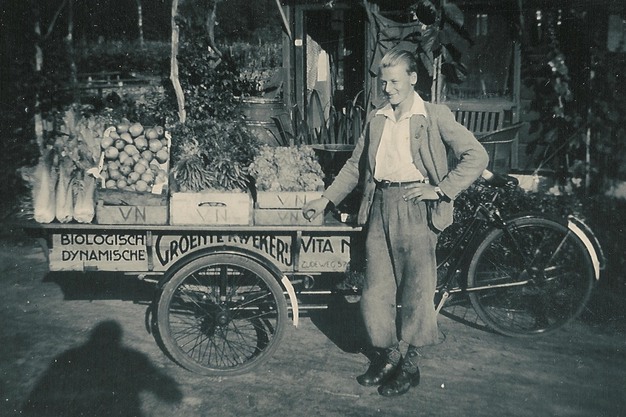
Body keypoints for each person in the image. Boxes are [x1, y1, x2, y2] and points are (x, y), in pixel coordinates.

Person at [302, 49, 489, 397]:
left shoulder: (433, 116)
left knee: (417, 291)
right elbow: (355, 167)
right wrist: (326, 200)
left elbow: (476, 155)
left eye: (394, 81)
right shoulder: (377, 119)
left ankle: (411, 366)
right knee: (375, 292)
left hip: (416, 208)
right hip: (379, 207)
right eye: (383, 82)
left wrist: (441, 190)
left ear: (413, 79)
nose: (387, 88)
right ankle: (389, 357)